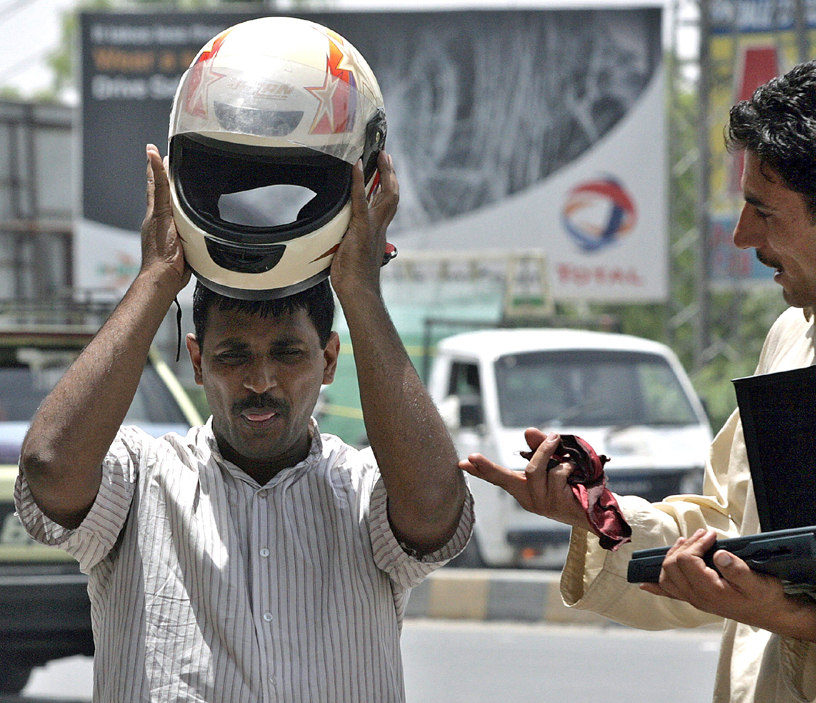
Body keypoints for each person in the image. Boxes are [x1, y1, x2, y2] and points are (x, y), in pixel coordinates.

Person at [463, 57, 816, 702]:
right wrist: (595, 514)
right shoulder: (795, 335)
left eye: (762, 212)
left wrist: (782, 612)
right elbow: (731, 527)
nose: (743, 236)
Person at [15, 142, 473, 702]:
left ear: (329, 361)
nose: (260, 380)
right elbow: (50, 466)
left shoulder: (362, 492)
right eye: (233, 356)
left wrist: (360, 289)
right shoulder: (140, 482)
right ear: (198, 360)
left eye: (288, 354)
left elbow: (433, 507)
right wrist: (157, 278)